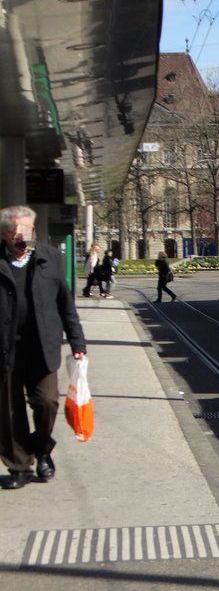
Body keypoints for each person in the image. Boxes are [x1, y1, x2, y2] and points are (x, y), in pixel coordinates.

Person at [0, 206, 87, 489]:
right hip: (6, 349)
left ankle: (42, 449)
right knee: (10, 411)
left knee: (46, 402)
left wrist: (77, 342)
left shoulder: (49, 258)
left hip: (42, 345)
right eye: (18, 231)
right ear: (4, 233)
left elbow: (65, 304)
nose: (24, 235)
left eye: (29, 230)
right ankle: (19, 466)